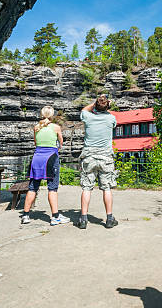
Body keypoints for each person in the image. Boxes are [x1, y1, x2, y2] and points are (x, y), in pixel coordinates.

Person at [21, 106, 70, 226]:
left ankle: (25, 215)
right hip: (51, 158)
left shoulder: (36, 127)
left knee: (32, 187)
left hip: (37, 158)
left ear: (41, 114)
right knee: (52, 188)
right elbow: (60, 143)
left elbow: (36, 143)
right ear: (52, 115)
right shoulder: (56, 127)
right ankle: (55, 217)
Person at [77, 94, 118, 230]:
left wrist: (95, 103)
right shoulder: (111, 118)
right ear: (108, 106)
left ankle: (83, 219)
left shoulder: (88, 117)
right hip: (106, 157)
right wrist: (105, 103)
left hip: (89, 156)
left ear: (95, 105)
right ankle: (109, 218)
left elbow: (84, 109)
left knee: (86, 188)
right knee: (106, 188)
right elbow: (110, 118)